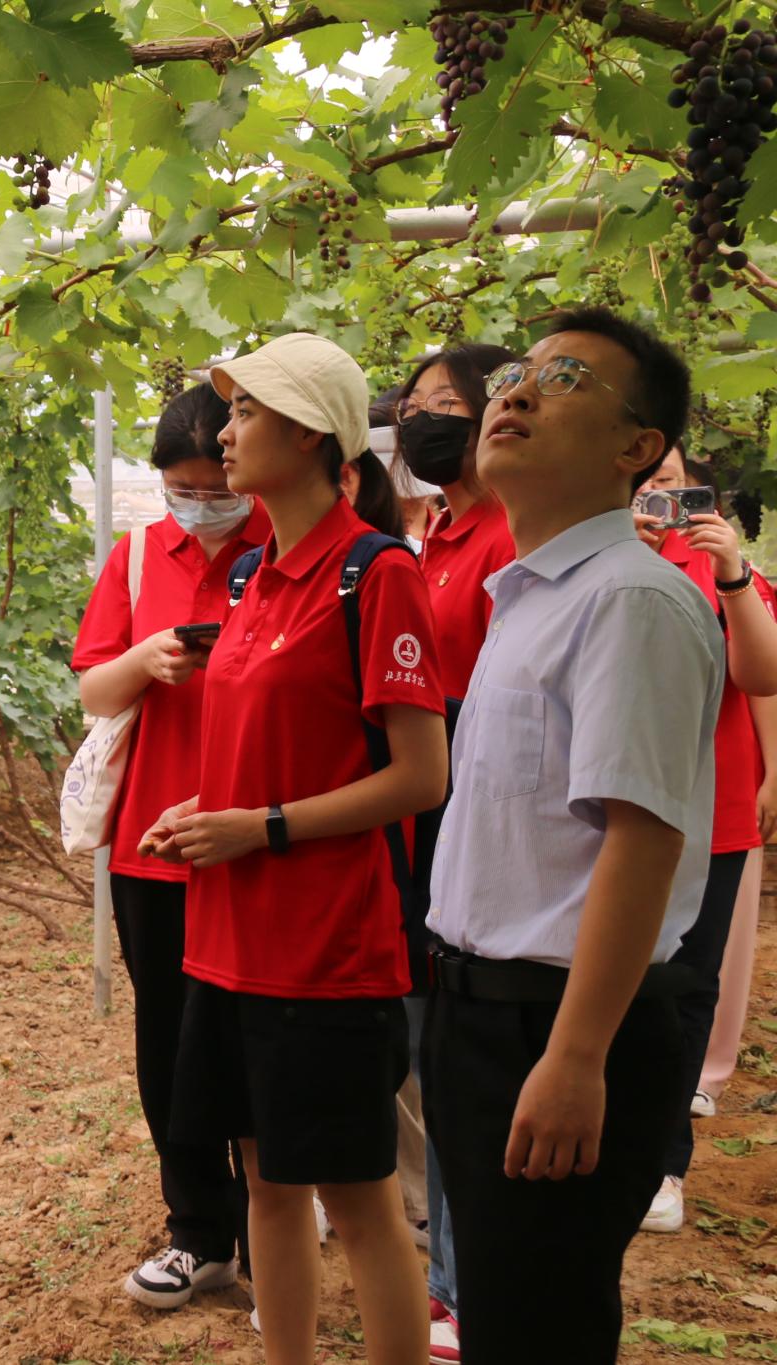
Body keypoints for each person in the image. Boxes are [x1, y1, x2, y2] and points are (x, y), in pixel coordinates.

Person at [141, 332, 449, 1365]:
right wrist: (202, 811)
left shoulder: (374, 573)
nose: (224, 434)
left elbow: (420, 776)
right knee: (265, 1185)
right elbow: (271, 750)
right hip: (226, 940)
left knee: (357, 1200)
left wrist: (259, 827)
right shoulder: (248, 581)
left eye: (246, 413)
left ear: (314, 434)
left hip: (323, 949)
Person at [423, 308, 723, 1363]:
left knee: (536, 1326)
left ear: (636, 448)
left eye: (563, 381)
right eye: (514, 374)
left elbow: (640, 841)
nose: (513, 392)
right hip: (484, 1014)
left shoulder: (631, 600)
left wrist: (574, 1056)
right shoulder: (532, 595)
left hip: (554, 1023)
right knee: (508, 1312)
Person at [72, 382, 265, 1311]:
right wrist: (144, 661)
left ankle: (274, 1227)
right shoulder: (140, 555)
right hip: (155, 845)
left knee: (260, 1034)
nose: (202, 503)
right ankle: (198, 1230)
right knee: (171, 1041)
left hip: (263, 834)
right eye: (183, 489)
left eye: (215, 486)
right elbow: (92, 690)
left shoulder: (292, 544)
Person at [393, 340, 520, 1361]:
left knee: (464, 1049)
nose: (419, 421)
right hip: (423, 811)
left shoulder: (508, 533)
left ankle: (468, 1286)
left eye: (442, 403)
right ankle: (450, 1272)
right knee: (429, 1046)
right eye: (410, 405)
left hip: (473, 805)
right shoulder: (430, 530)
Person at [629, 448, 777, 1234]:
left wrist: (732, 574)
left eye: (670, 481)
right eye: (644, 482)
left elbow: (764, 674)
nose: (657, 495)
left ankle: (664, 1162)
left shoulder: (720, 565)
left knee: (686, 985)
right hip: (611, 806)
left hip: (708, 809)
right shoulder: (592, 552)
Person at [701, 690, 777, 1105]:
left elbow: (765, 685)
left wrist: (774, 774)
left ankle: (707, 1072)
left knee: (727, 931)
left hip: (729, 772)